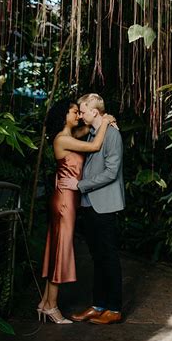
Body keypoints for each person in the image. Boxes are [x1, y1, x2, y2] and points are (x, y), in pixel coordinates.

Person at [37, 98, 116, 324]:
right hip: (65, 200)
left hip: (67, 198)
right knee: (61, 250)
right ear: (64, 116)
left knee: (56, 248)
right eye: (74, 112)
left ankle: (44, 303)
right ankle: (52, 306)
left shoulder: (70, 137)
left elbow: (90, 128)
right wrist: (108, 121)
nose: (78, 115)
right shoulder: (62, 139)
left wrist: (104, 121)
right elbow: (94, 146)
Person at [59, 93, 125, 325]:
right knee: (97, 258)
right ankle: (98, 305)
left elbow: (111, 172)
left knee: (108, 257)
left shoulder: (113, 135)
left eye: (83, 110)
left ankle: (114, 309)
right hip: (89, 204)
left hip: (104, 205)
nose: (80, 114)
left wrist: (80, 185)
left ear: (95, 111)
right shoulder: (95, 133)